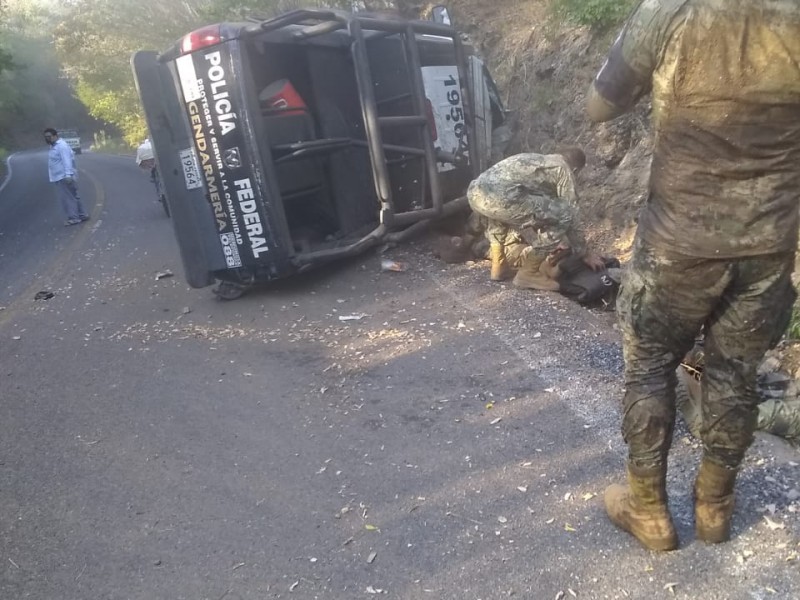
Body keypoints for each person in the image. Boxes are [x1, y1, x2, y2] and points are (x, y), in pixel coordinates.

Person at [586, 0, 800, 550]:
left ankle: (650, 511)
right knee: (735, 372)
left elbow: (598, 107)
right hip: (769, 243)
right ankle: (714, 508)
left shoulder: (671, 9)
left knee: (650, 367)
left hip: (679, 243)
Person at [466, 148, 604, 290]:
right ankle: (528, 273)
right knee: (565, 214)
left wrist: (552, 241)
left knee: (498, 212)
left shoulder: (541, 162)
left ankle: (499, 266)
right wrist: (584, 253)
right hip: (501, 197)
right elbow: (570, 213)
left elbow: (538, 210)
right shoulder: (563, 169)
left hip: (475, 193)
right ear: (575, 170)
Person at [44, 128, 88, 226]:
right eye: (46, 137)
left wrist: (68, 175)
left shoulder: (61, 146)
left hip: (63, 176)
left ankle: (74, 218)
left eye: (49, 137)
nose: (47, 139)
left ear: (55, 136)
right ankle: (82, 214)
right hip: (60, 176)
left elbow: (67, 160)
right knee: (73, 196)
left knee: (68, 198)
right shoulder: (54, 146)